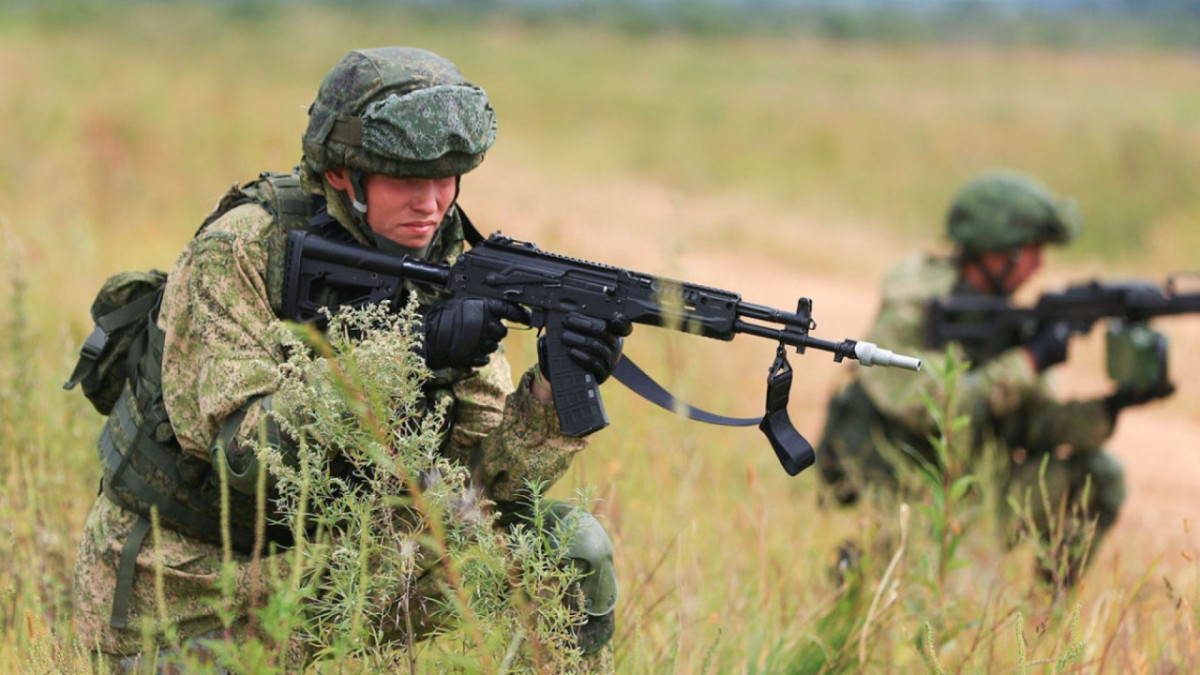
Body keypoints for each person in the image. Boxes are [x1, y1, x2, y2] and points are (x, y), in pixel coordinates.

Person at [72, 46, 627, 670]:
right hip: (186, 592)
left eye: (447, 179)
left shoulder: (439, 259)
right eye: (408, 180)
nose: (432, 203)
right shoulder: (242, 250)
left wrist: (550, 392)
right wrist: (406, 351)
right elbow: (247, 457)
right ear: (342, 174)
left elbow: (483, 490)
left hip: (335, 571)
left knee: (567, 551)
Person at [815, 169, 1173, 584]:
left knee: (1100, 474)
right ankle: (871, 566)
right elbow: (932, 407)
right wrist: (1027, 362)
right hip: (914, 499)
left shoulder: (1008, 318)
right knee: (946, 614)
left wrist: (1113, 405)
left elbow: (1032, 427)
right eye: (1031, 249)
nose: (1039, 264)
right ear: (994, 250)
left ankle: (1049, 618)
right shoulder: (913, 310)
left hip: (980, 494)